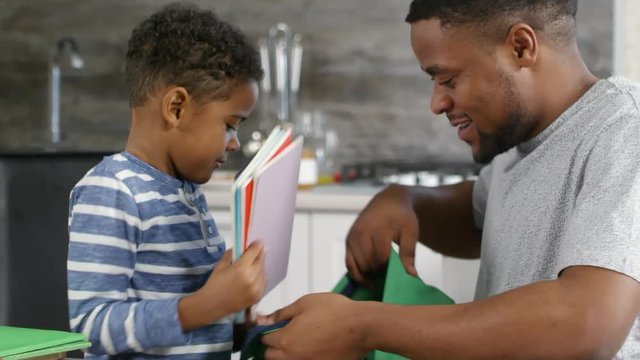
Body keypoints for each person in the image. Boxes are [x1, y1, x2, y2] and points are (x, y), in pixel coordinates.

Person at [259, 0, 640, 358]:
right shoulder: (517, 139)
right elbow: (483, 218)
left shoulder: (624, 131)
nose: (437, 103)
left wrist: (363, 326)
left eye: (449, 79)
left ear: (521, 47)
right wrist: (409, 202)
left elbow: (586, 321)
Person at [66, 3, 266, 358]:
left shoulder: (186, 194)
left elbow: (185, 326)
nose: (234, 142)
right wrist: (207, 305)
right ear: (176, 108)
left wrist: (237, 328)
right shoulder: (113, 190)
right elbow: (91, 329)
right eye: (230, 125)